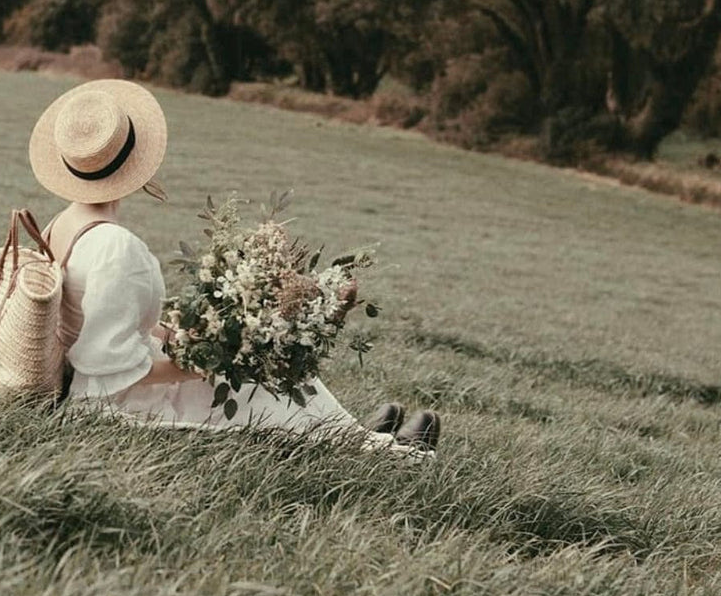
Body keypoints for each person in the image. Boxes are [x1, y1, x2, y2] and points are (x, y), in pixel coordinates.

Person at [28, 79, 440, 457]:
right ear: (135, 162)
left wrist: (179, 334)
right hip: (120, 404)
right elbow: (116, 371)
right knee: (252, 379)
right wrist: (209, 363)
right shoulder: (116, 246)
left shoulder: (60, 224)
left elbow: (96, 317)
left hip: (101, 384)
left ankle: (352, 435)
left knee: (265, 367)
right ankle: (380, 454)